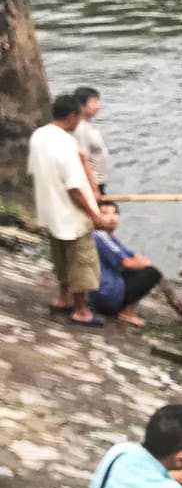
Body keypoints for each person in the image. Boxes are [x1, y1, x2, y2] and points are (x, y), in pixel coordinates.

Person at [28, 94, 115, 326]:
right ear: (72, 115)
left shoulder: (39, 135)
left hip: (50, 209)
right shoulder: (65, 143)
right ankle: (81, 310)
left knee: (61, 257)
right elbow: (74, 189)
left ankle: (63, 297)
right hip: (71, 214)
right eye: (78, 116)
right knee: (81, 262)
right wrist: (95, 214)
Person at [89, 201, 163, 326]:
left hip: (99, 297)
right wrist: (149, 267)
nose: (112, 218)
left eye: (115, 213)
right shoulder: (99, 235)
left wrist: (143, 262)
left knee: (144, 269)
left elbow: (132, 255)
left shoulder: (109, 237)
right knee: (152, 273)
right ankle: (126, 312)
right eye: (105, 214)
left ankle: (124, 308)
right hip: (105, 297)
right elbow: (128, 263)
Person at [73, 86, 109, 194]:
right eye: (93, 103)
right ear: (81, 106)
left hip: (99, 179)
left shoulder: (90, 125)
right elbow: (83, 159)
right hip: (92, 182)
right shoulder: (80, 128)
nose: (98, 106)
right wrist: (93, 187)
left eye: (98, 102)